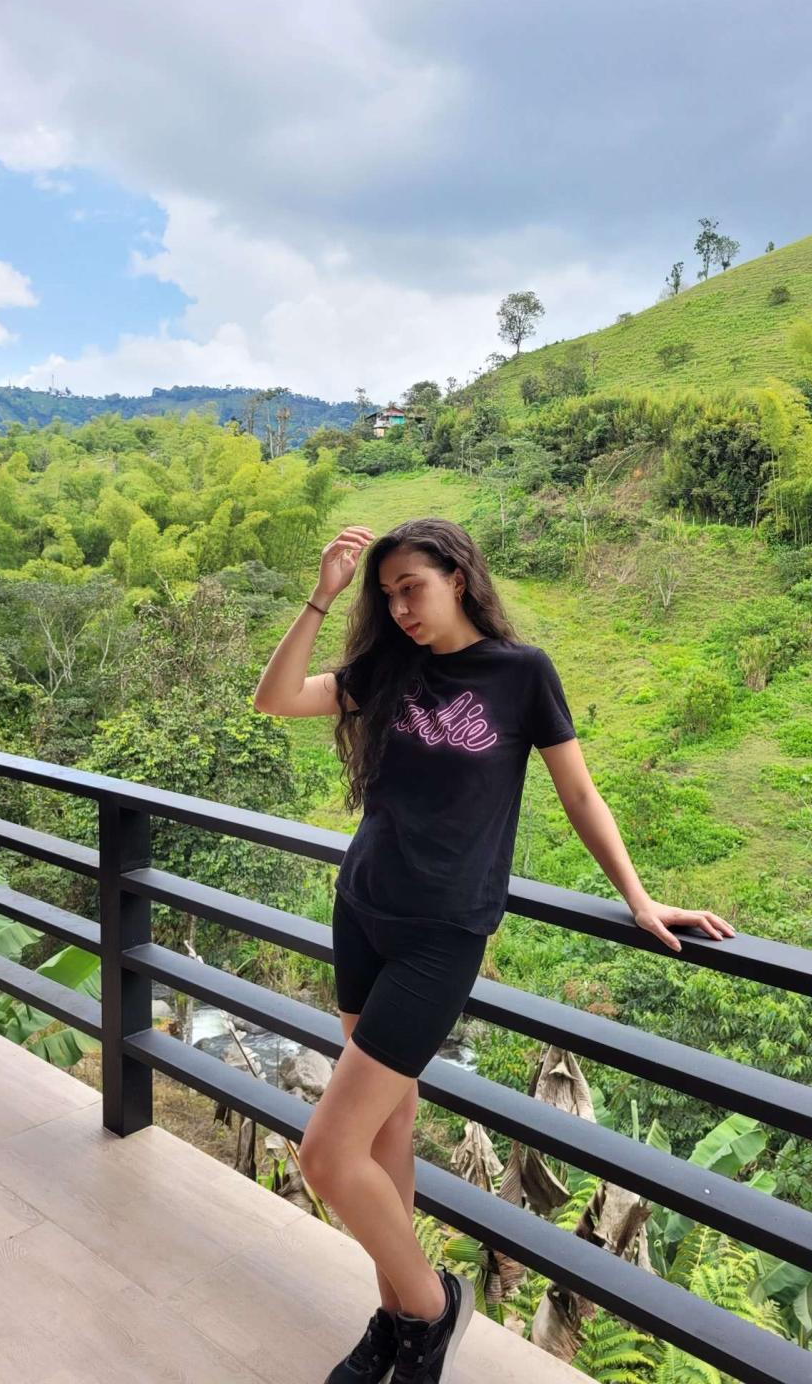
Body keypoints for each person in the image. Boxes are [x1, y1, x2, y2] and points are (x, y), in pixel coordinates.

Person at [253, 517, 735, 1384]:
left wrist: (639, 898)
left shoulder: (521, 674)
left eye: (413, 588)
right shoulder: (386, 670)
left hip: (442, 937)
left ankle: (431, 1307)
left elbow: (579, 793)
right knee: (386, 1130)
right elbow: (276, 697)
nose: (400, 608)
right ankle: (399, 1321)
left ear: (459, 577)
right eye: (388, 595)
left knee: (326, 1154)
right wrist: (323, 597)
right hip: (361, 912)